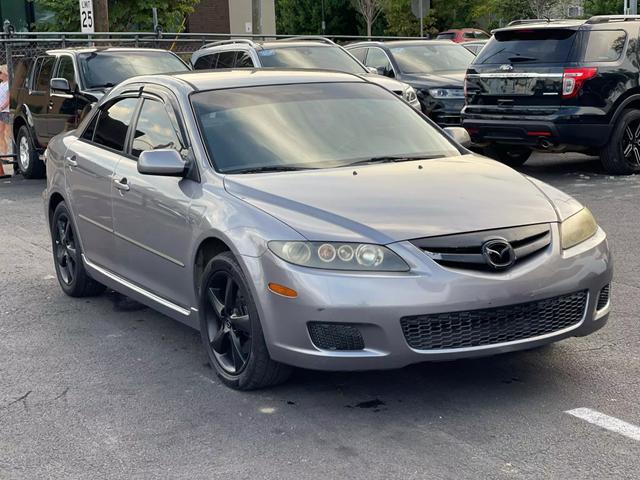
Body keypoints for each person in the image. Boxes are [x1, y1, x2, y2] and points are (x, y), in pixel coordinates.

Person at [0, 64, 10, 178]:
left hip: (5, 111)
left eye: (1, 73)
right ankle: (4, 154)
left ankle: (7, 154)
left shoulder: (8, 85)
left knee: (7, 133)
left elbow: (8, 99)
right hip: (1, 111)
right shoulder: (1, 84)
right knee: (1, 133)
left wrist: (2, 107)